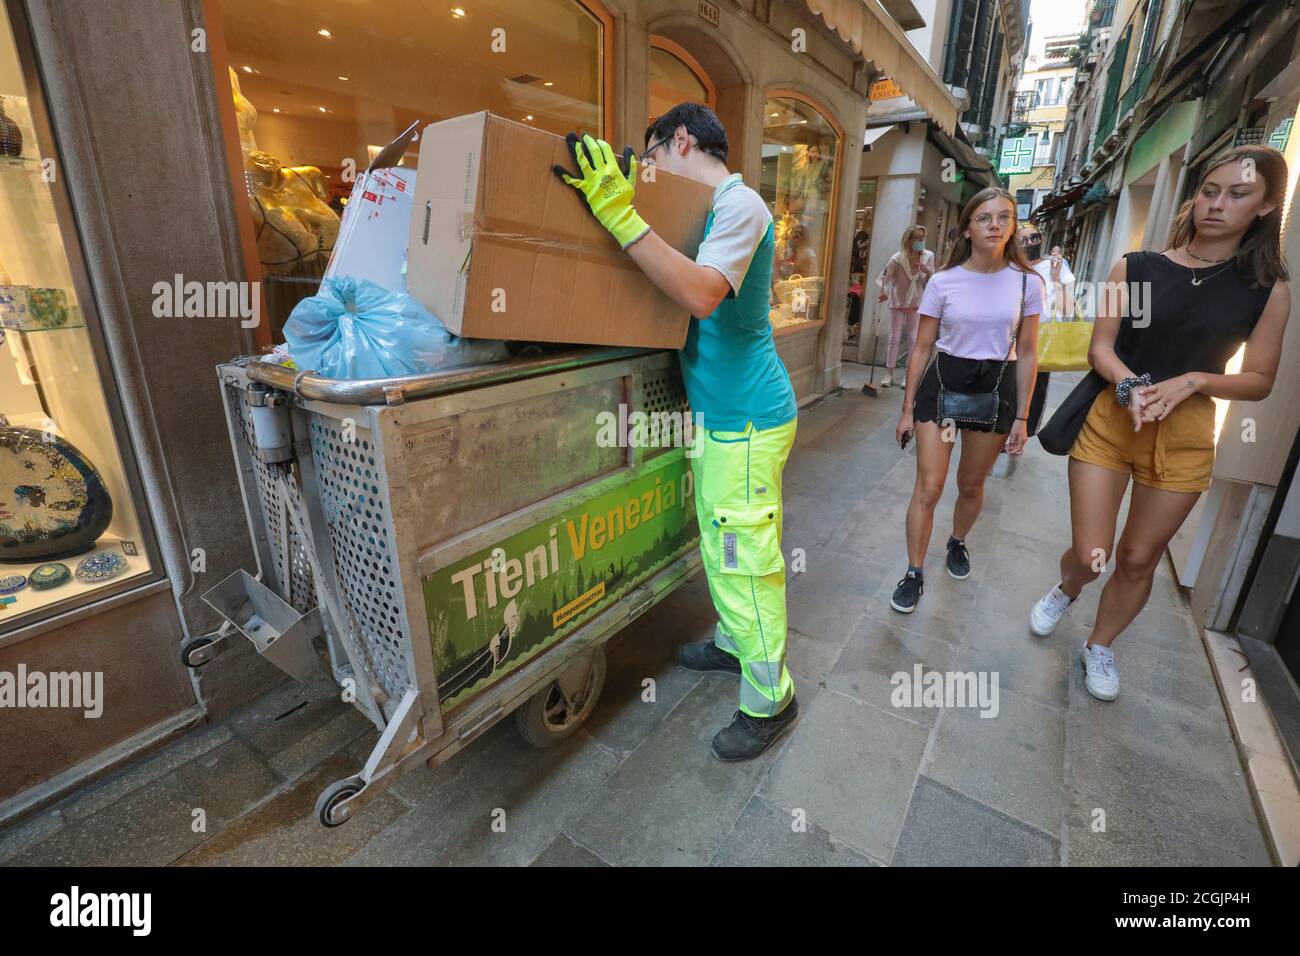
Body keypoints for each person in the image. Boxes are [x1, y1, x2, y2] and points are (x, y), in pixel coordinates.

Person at [554, 103, 799, 760]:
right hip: (721, 418)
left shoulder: (740, 204)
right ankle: (731, 641)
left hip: (746, 421)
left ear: (680, 140)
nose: (652, 170)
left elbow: (699, 295)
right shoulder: (710, 211)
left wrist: (621, 214)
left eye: (654, 155)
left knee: (748, 561)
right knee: (724, 542)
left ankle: (771, 698)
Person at [1030, 145, 1291, 701]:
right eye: (1210, 190)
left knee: (1139, 557)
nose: (1217, 204)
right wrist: (1129, 386)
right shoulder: (1138, 267)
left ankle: (1099, 645)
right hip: (1112, 419)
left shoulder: (1267, 291)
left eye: (1237, 194)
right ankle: (1068, 587)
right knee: (1090, 552)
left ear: (1266, 208)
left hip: (1186, 433)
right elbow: (1100, 348)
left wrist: (1195, 381)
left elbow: (1261, 379)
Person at [891, 188, 1042, 613]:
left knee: (971, 484)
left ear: (1013, 226)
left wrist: (1023, 416)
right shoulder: (943, 281)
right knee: (930, 486)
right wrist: (906, 409)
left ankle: (957, 541)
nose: (994, 225)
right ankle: (914, 572)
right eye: (984, 218)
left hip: (996, 385)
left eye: (1004, 217)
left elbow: (1029, 351)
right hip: (944, 383)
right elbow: (921, 348)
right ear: (968, 229)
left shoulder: (1028, 282)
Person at [1017, 224, 1076, 435]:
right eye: (1024, 239)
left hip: (1044, 336)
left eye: (1035, 237)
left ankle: (1025, 431)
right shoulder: (1011, 266)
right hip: (1013, 334)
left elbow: (1068, 306)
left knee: (1036, 385)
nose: (1031, 242)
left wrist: (1057, 278)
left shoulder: (1055, 267)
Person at [876, 225, 935, 388]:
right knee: (894, 338)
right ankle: (889, 373)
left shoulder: (928, 257)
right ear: (908, 240)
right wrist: (885, 291)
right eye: (916, 238)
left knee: (913, 339)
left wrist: (928, 271)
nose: (920, 241)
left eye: (922, 237)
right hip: (898, 301)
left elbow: (933, 282)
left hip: (916, 302)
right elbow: (882, 279)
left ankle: (908, 375)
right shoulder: (897, 259)